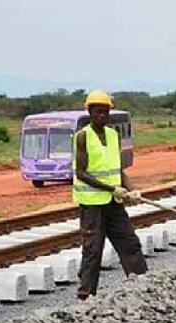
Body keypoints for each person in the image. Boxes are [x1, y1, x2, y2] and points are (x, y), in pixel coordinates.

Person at [72, 90, 147, 301]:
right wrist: (112, 189)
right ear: (89, 112)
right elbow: (81, 173)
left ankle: (143, 285)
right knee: (93, 250)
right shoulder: (82, 136)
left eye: (105, 112)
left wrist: (131, 189)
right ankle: (85, 296)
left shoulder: (113, 135)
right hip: (92, 205)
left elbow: (118, 170)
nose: (102, 116)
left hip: (113, 203)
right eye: (98, 112)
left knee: (129, 242)